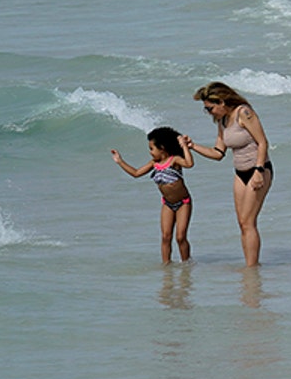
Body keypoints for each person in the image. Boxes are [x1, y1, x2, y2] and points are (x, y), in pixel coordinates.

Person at [181, 82, 271, 266]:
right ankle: (251, 265)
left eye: (210, 108)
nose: (209, 112)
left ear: (221, 102)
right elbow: (218, 153)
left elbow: (262, 142)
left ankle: (252, 268)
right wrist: (192, 146)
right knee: (242, 223)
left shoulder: (244, 113)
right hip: (240, 173)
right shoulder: (222, 121)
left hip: (258, 170)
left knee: (248, 222)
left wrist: (259, 171)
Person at [110, 126, 194, 262]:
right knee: (166, 237)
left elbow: (189, 164)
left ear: (162, 148)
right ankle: (166, 267)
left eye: (152, 148)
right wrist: (120, 161)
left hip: (183, 203)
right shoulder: (154, 163)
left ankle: (186, 265)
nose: (150, 152)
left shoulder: (174, 160)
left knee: (180, 237)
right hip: (167, 204)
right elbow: (136, 173)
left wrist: (184, 146)